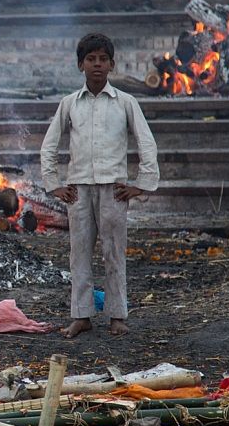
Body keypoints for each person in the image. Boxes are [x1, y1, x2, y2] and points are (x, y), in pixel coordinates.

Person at [39, 32, 159, 338]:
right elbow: (49, 146)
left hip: (114, 189)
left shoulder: (126, 103)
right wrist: (54, 185)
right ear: (80, 65)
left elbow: (146, 144)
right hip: (78, 189)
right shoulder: (69, 104)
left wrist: (140, 185)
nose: (97, 65)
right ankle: (82, 316)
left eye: (103, 59)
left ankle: (117, 315)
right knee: (79, 253)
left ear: (112, 64)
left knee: (114, 252)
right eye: (91, 59)